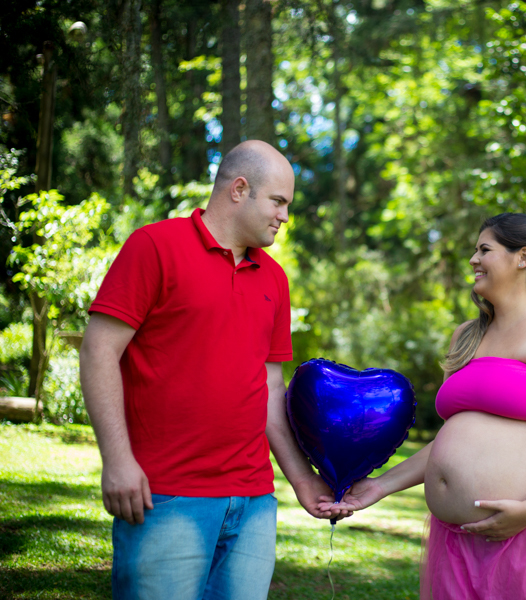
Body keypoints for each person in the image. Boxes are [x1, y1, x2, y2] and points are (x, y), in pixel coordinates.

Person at [80, 140, 348, 600]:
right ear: (239, 189)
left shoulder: (274, 279)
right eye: (278, 202)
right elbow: (98, 350)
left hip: (253, 504)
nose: (285, 216)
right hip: (165, 496)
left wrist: (302, 480)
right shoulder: (154, 246)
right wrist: (118, 461)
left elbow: (269, 388)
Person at [325, 213, 526, 599]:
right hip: (454, 542)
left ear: (523, 257)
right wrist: (380, 487)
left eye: (485, 249)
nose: (473, 260)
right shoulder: (465, 337)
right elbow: (456, 439)